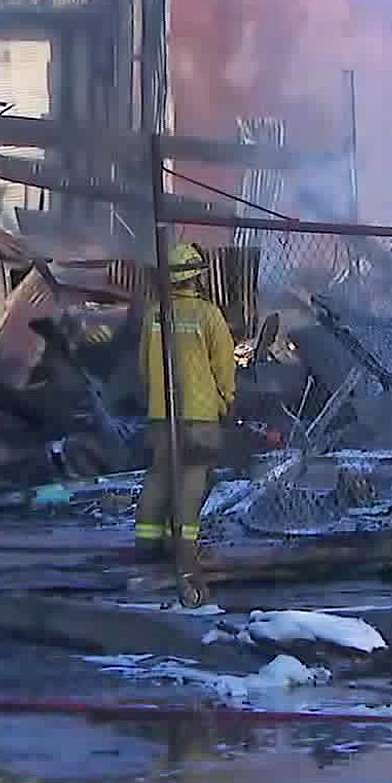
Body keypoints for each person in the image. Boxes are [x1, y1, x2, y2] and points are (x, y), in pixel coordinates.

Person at [134, 241, 236, 562]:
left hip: (161, 414)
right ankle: (183, 550)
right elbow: (224, 365)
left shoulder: (154, 314)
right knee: (192, 476)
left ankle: (148, 546)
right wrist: (226, 400)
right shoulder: (207, 314)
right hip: (200, 415)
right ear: (197, 278)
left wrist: (155, 399)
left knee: (159, 476)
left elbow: (143, 365)